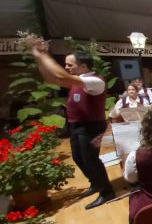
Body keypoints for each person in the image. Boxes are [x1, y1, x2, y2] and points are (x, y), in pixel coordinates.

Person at [29, 39, 115, 209]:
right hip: (77, 126)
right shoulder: (78, 80)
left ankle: (107, 192)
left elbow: (60, 75)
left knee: (91, 160)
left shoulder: (95, 81)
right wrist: (38, 58)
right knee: (78, 157)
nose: (66, 67)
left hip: (91, 126)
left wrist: (44, 54)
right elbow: (52, 78)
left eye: (70, 64)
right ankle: (95, 183)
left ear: (83, 67)